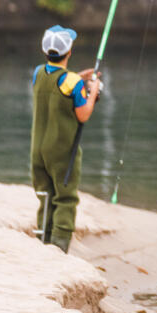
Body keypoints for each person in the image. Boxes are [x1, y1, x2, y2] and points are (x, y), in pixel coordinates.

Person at [30, 24, 101, 253]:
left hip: (38, 149)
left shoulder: (38, 73)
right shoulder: (73, 83)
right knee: (65, 197)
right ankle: (59, 246)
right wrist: (93, 91)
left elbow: (57, 86)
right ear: (69, 52)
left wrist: (80, 79)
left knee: (46, 194)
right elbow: (84, 114)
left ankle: (44, 238)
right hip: (61, 151)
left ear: (45, 51)